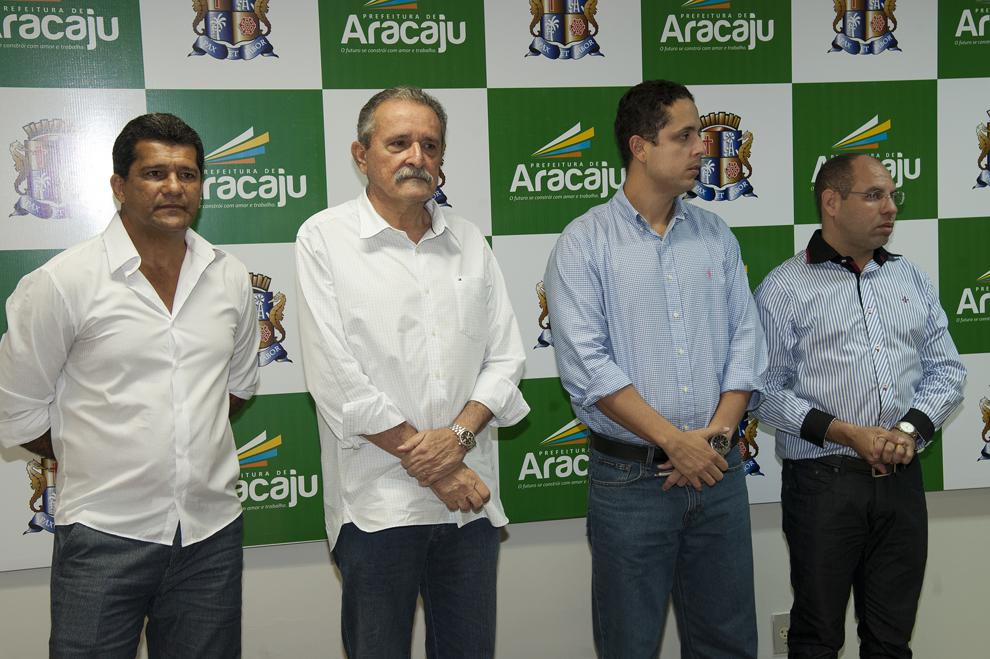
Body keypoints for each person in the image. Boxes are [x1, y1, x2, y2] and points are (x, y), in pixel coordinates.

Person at [0, 113, 260, 657]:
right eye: (155, 173)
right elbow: (18, 413)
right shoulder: (62, 283)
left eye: (187, 174)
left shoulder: (230, 276)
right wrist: (101, 452)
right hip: (103, 535)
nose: (174, 187)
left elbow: (233, 390)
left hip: (210, 535)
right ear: (120, 186)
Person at [295, 86, 528, 659]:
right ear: (361, 154)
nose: (416, 157)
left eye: (430, 144)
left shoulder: (469, 240)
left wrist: (458, 439)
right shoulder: (323, 238)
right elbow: (336, 379)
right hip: (377, 508)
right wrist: (440, 468)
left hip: (469, 508)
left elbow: (506, 359)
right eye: (398, 143)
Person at [544, 79, 766, 658]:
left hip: (719, 470)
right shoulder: (584, 243)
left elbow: (746, 342)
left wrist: (714, 439)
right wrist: (675, 442)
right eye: (684, 136)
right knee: (631, 646)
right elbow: (588, 367)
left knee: (729, 645)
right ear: (640, 147)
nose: (702, 148)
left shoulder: (715, 234)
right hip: (631, 483)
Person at [753, 153, 966, 658]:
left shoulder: (909, 278)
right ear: (831, 202)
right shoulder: (784, 288)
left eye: (892, 195)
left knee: (892, 639)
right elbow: (764, 392)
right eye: (874, 196)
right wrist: (846, 432)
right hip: (823, 484)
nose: (890, 207)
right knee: (817, 637)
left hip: (901, 481)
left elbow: (947, 371)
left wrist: (908, 432)